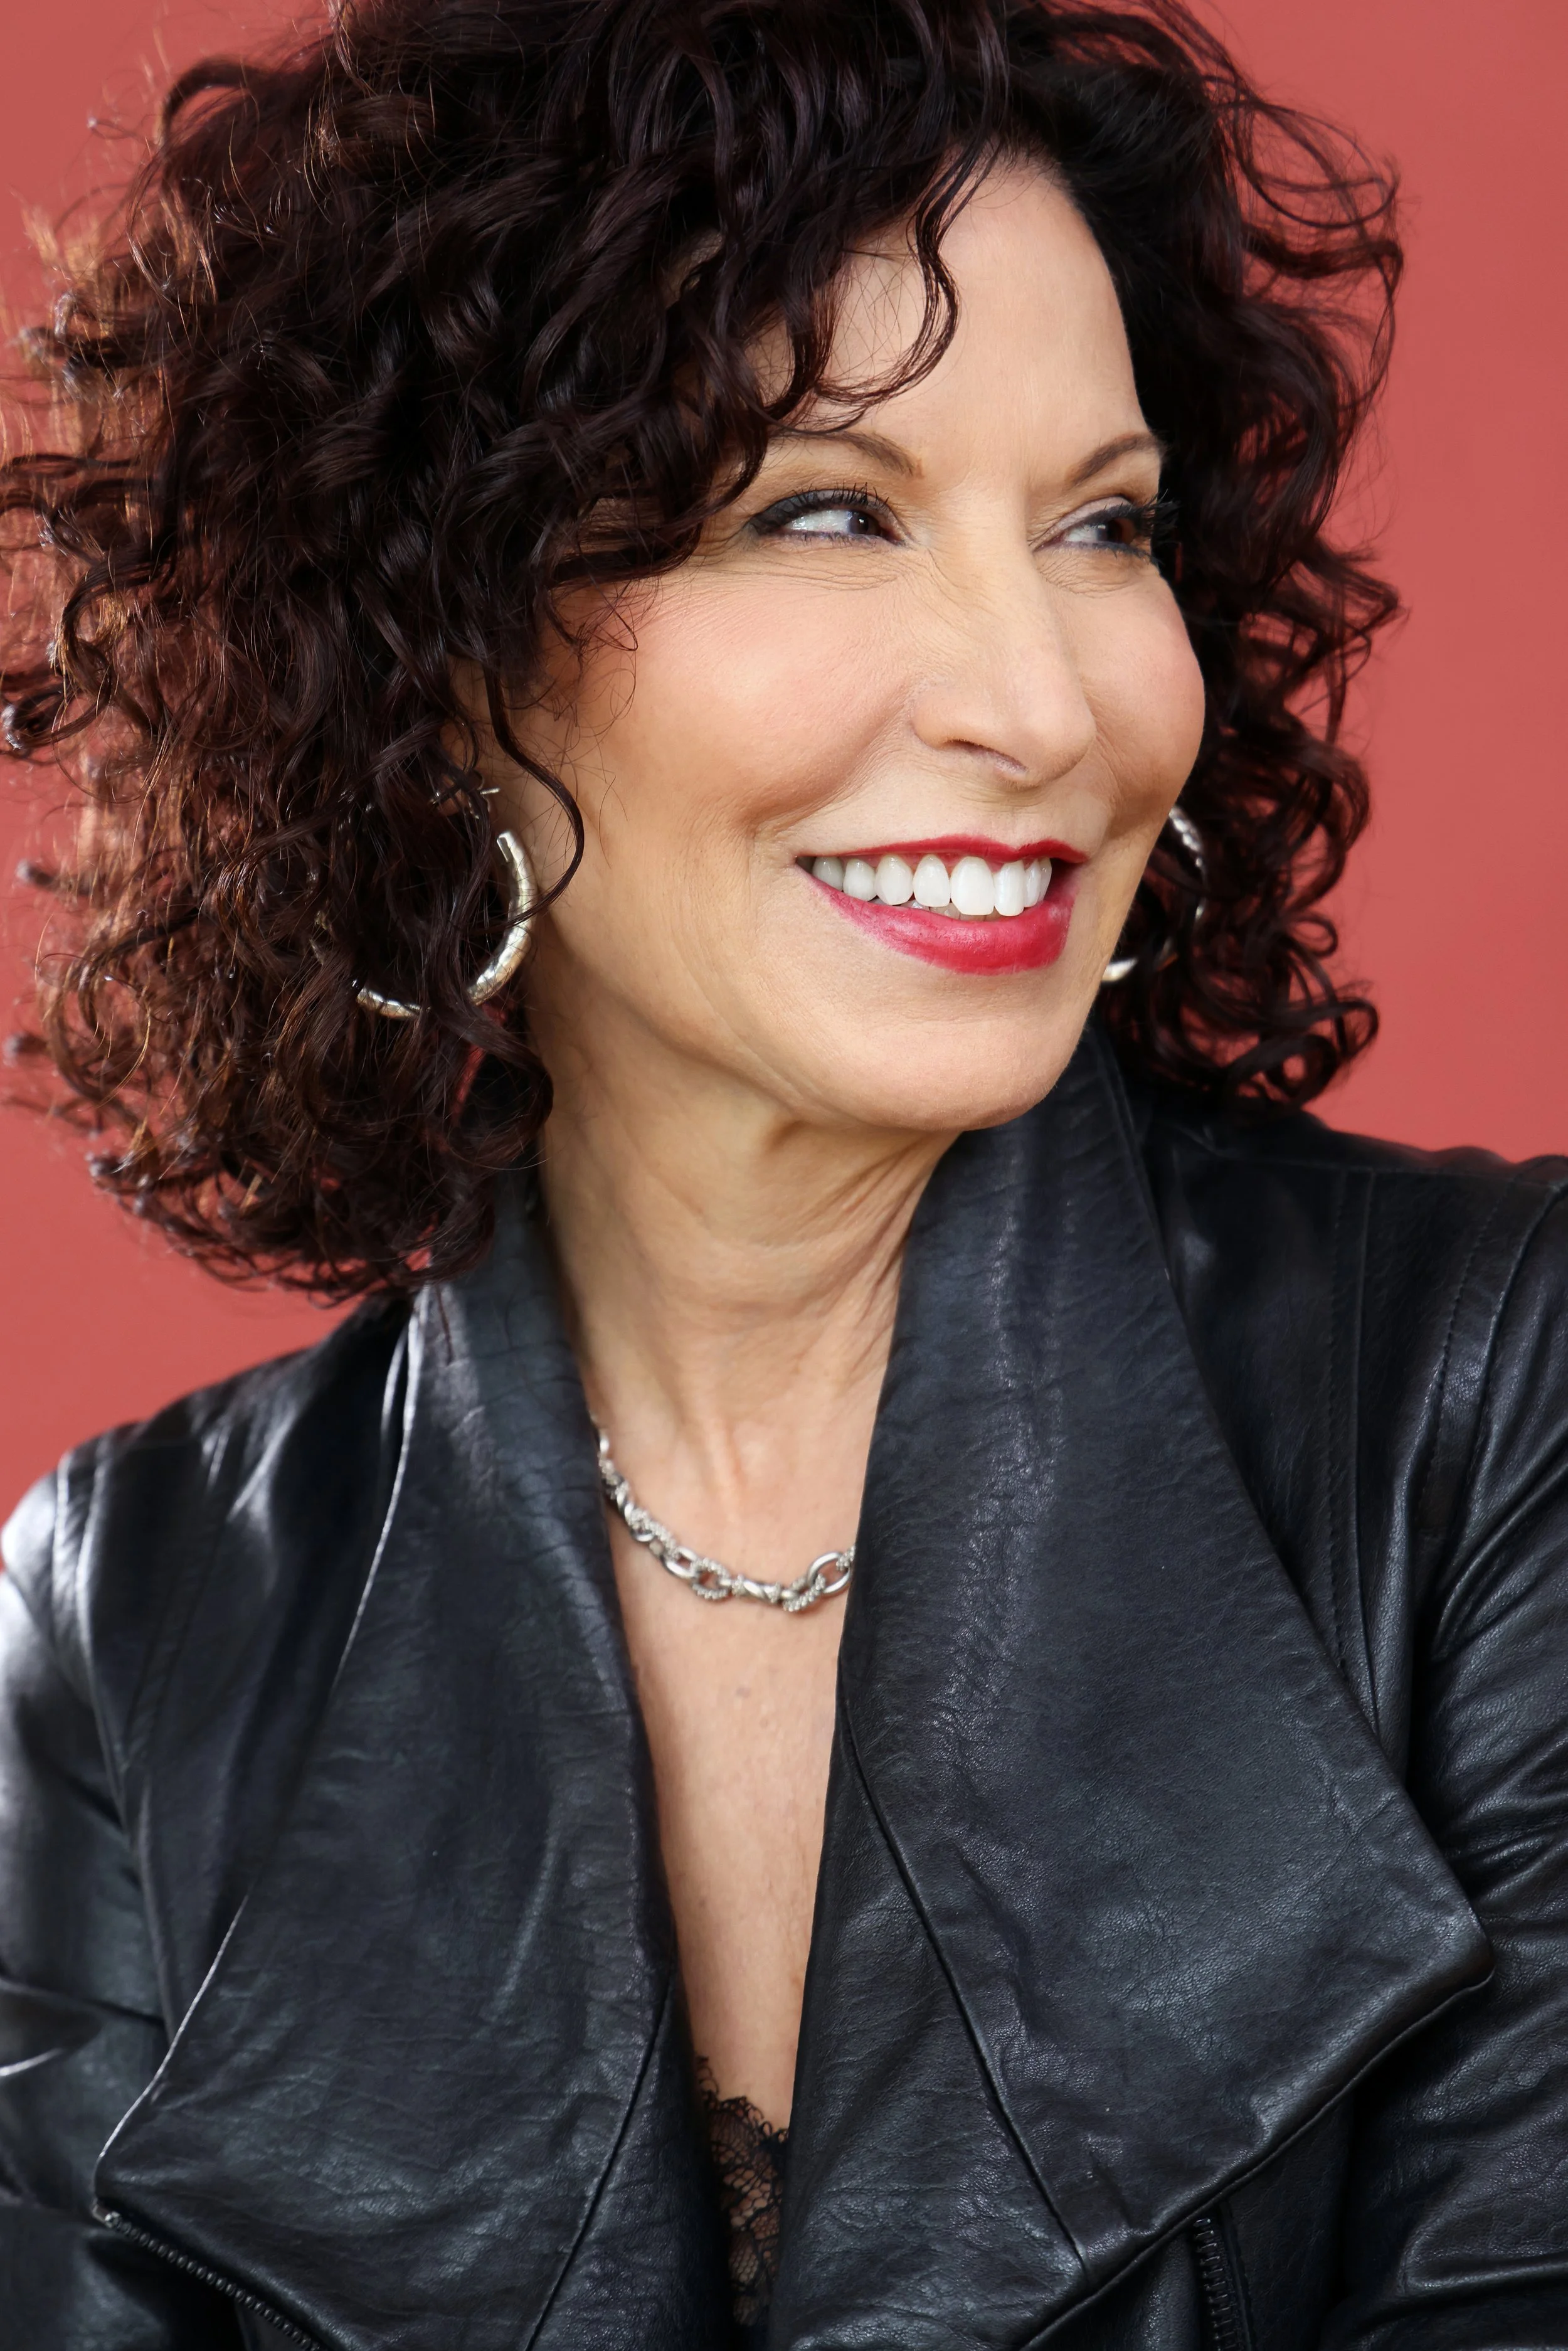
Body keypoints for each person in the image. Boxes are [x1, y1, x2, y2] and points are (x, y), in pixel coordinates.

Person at [3, 0, 1565, 2343]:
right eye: (824, 509)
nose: (1044, 706)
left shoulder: (1495, 1405)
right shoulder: (120, 1634)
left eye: (1101, 525)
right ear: (438, 662)